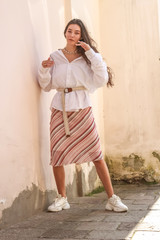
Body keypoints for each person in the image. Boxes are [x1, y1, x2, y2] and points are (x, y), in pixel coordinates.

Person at [38, 19, 128, 213]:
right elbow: (46, 86)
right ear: (65, 33)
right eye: (69, 31)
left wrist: (91, 53)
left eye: (76, 32)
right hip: (59, 110)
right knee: (57, 154)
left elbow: (102, 78)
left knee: (96, 153)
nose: (72, 35)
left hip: (81, 109)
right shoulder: (55, 56)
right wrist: (44, 68)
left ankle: (112, 198)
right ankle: (62, 198)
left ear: (81, 36)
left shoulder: (88, 57)